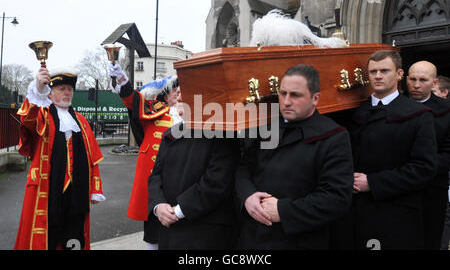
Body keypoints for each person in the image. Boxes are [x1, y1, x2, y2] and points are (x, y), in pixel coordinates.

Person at [235, 64, 354, 249]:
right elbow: (243, 169)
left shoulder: (334, 136)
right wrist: (248, 197)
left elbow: (336, 198)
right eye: (282, 93)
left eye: (295, 95)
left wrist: (283, 211)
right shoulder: (264, 126)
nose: (286, 101)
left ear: (315, 98)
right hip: (253, 239)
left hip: (300, 240)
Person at [332, 50, 437, 250]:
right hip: (351, 212)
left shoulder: (419, 115)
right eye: (373, 72)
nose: (378, 76)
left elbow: (424, 168)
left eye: (384, 71)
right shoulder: (353, 111)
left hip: (393, 213)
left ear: (399, 74)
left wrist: (372, 182)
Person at [15, 67, 105, 250]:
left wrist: (95, 188)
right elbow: (28, 121)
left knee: (74, 237)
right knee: (48, 237)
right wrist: (38, 89)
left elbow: (92, 158)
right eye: (61, 89)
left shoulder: (81, 120)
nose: (67, 93)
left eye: (69, 89)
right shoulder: (43, 114)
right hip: (49, 190)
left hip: (77, 194)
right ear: (50, 93)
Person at [108, 63, 182, 250]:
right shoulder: (154, 113)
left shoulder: (195, 117)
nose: (180, 95)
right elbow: (132, 101)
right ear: (166, 96)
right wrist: (122, 81)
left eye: (183, 92)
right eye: (176, 91)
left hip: (183, 182)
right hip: (157, 184)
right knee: (154, 232)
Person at [147, 124, 240, 249]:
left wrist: (178, 211)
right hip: (168, 226)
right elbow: (156, 175)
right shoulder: (172, 132)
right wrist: (158, 205)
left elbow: (217, 182)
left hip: (205, 231)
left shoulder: (224, 133)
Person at [406, 61, 450, 250]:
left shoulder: (447, 111)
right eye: (413, 79)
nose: (416, 85)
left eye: (423, 80)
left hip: (432, 190)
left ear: (434, 84)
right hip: (399, 190)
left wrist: (420, 170)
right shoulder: (396, 104)